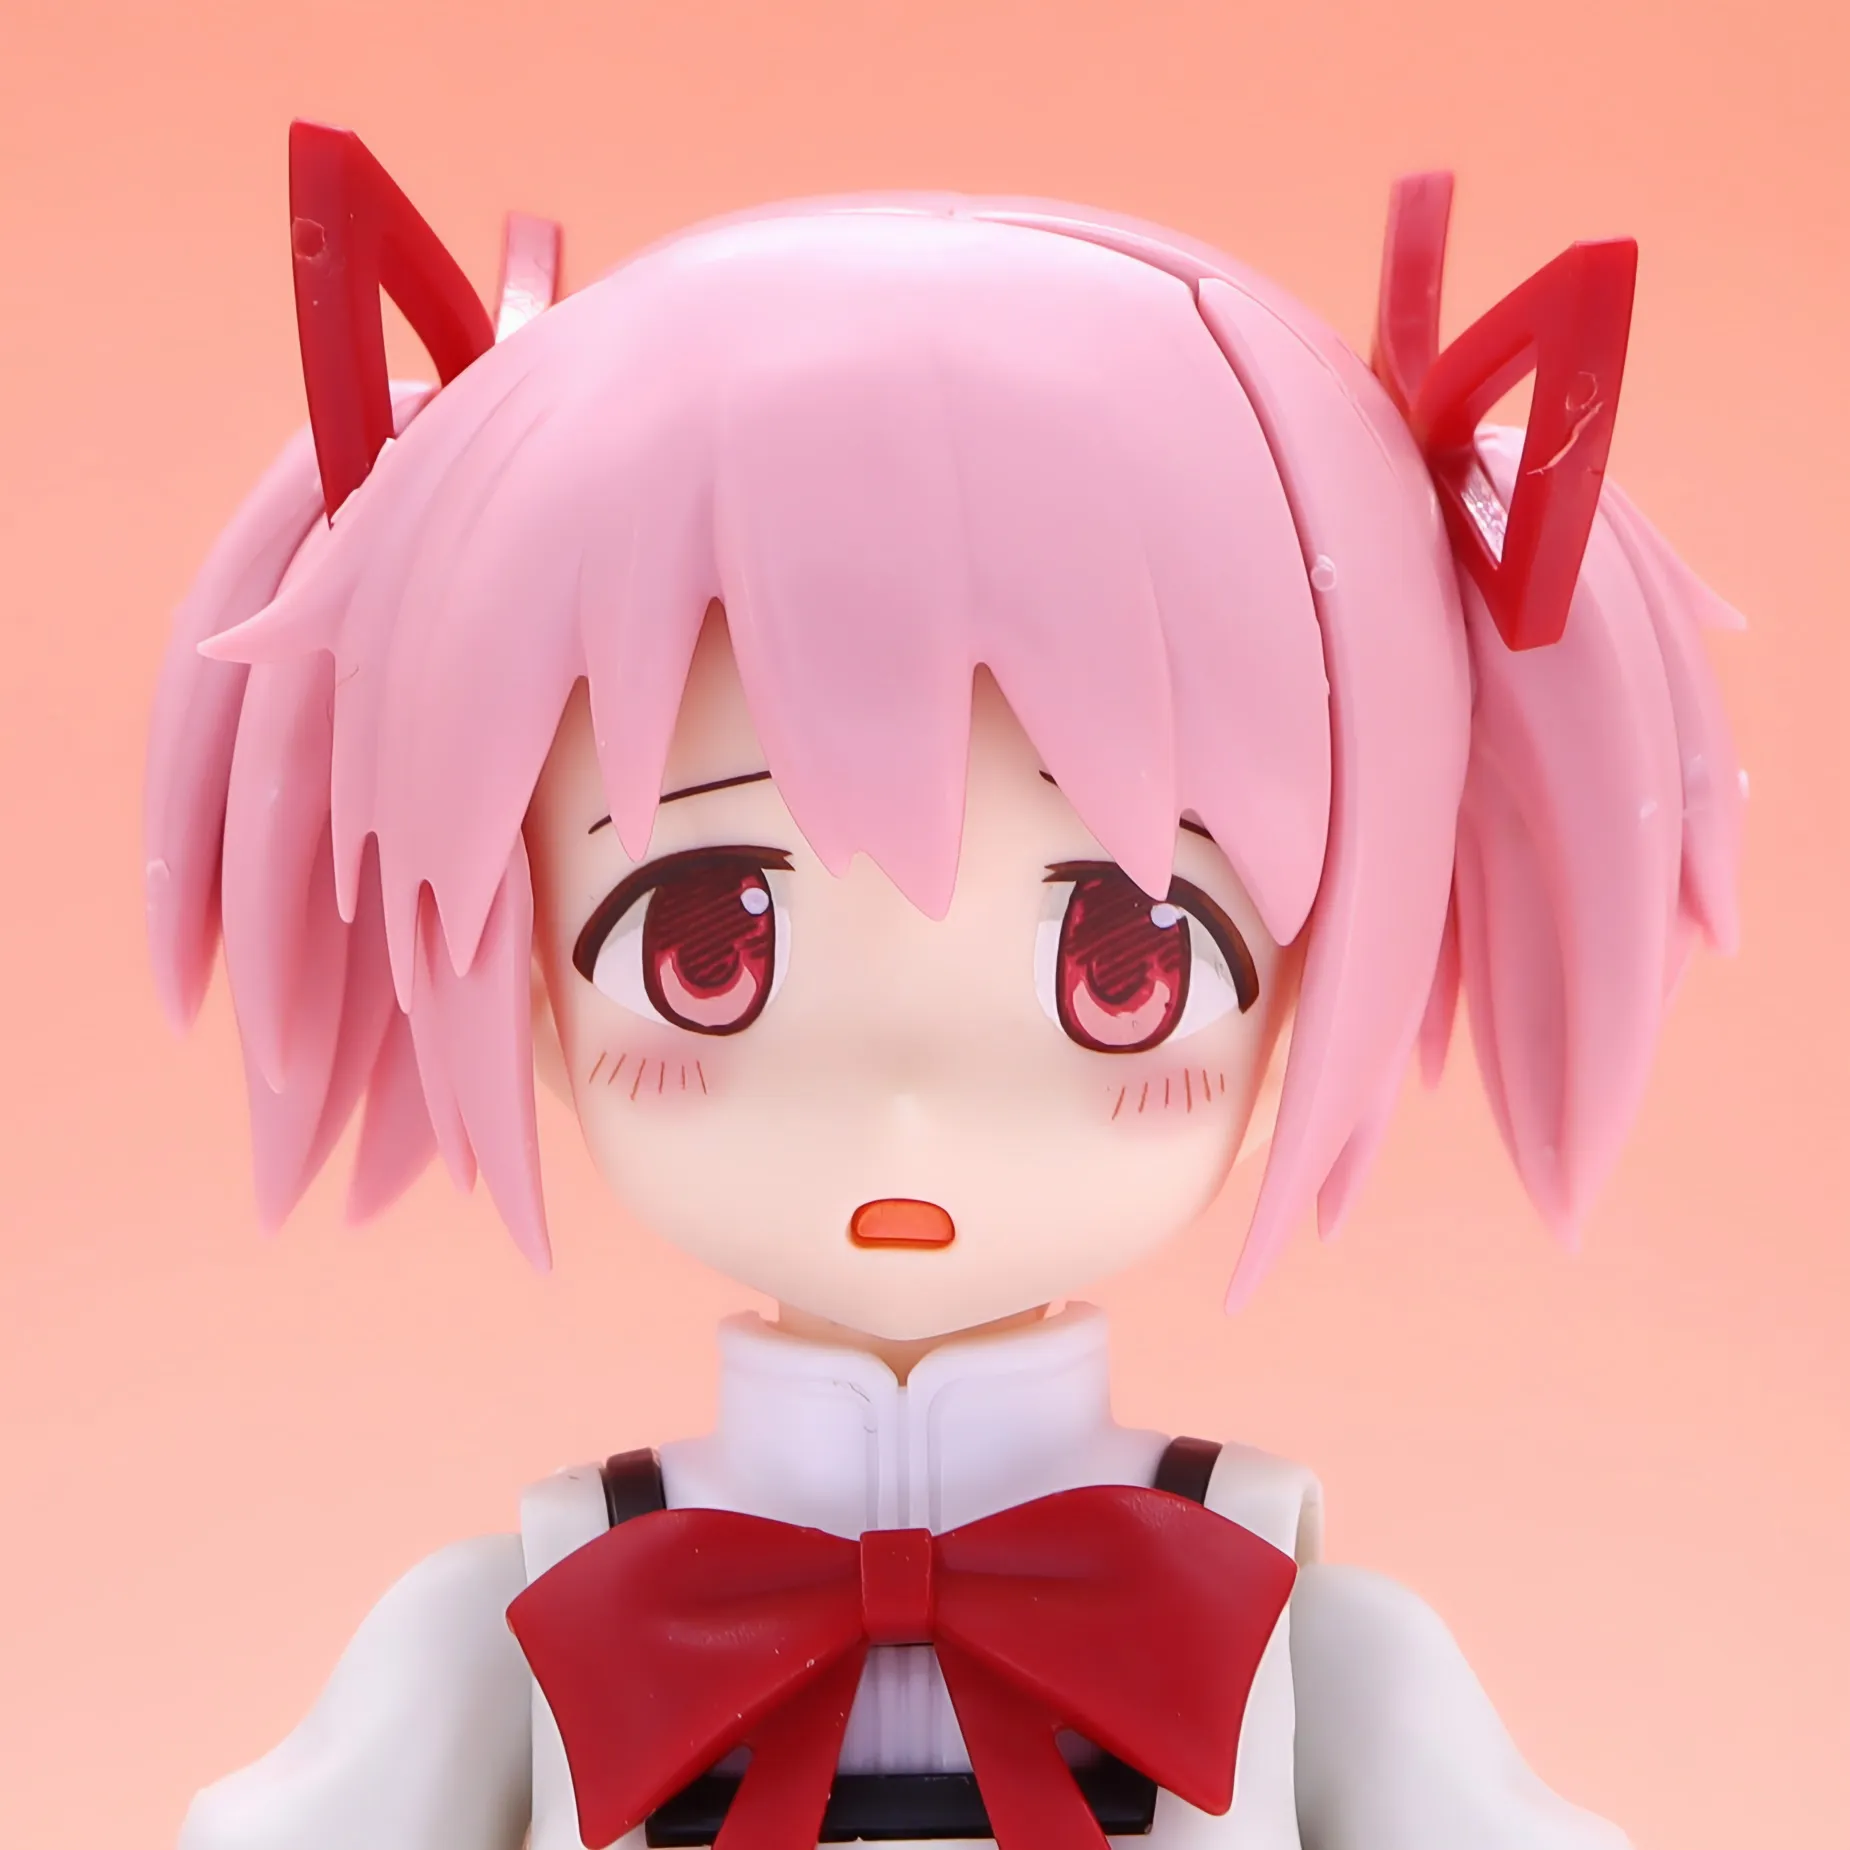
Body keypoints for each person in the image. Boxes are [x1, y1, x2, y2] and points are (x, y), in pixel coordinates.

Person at [144, 122, 1741, 1850]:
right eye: (707, 946)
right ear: (523, 967)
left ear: (1303, 988)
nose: (905, 1100)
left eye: (1124, 962)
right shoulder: (506, 1638)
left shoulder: (1308, 1648)